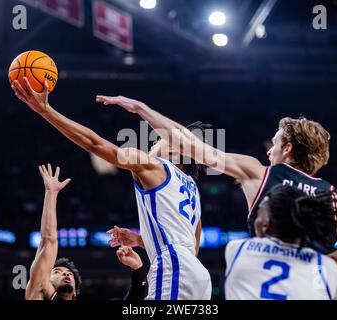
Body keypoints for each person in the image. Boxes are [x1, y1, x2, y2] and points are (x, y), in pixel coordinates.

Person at [95, 95, 337, 300]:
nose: (268, 150)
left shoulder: (257, 173)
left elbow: (190, 144)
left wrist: (142, 109)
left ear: (287, 149)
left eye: (273, 143)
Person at [12, 79, 212, 300]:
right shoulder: (192, 188)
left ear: (175, 151)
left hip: (173, 268)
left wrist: (45, 110)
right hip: (198, 276)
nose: (152, 144)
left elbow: (94, 143)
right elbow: (191, 249)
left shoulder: (153, 165)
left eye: (158, 141)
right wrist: (138, 240)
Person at [225, 185, 337, 300]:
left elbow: (275, 265)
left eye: (259, 212)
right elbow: (291, 269)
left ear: (265, 224)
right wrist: (325, 262)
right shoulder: (326, 268)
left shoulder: (237, 249)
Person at [25, 164, 82, 300]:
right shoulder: (41, 288)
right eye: (57, 272)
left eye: (69, 274)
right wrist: (51, 193)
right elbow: (49, 239)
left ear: (75, 292)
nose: (66, 275)